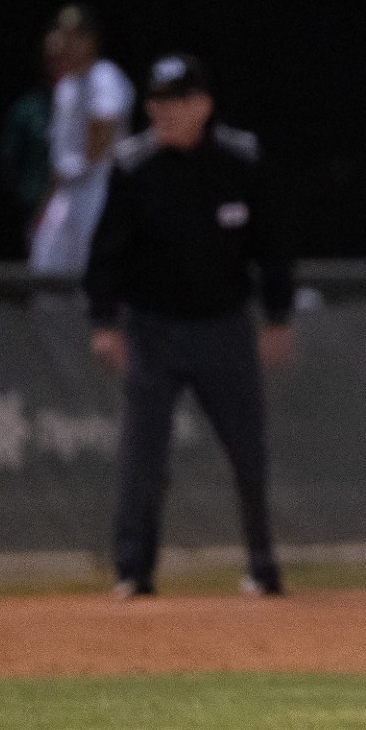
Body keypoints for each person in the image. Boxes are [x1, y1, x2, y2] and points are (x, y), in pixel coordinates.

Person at [83, 54, 293, 598]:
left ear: (203, 105)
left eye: (175, 101)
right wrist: (104, 321)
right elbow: (106, 252)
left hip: (224, 327)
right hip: (153, 330)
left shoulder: (239, 160)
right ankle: (133, 571)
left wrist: (277, 316)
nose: (162, 111)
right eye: (155, 102)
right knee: (143, 457)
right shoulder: (133, 166)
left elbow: (272, 246)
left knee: (249, 451)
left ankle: (263, 566)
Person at [32, 4, 135, 275]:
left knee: (94, 273)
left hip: (98, 190)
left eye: (74, 36)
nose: (65, 43)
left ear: (89, 41)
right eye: (62, 35)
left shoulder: (104, 76)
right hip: (68, 192)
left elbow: (103, 132)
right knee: (46, 269)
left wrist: (77, 169)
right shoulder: (66, 86)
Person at [0, 28, 66, 240]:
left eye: (64, 57)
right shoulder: (29, 109)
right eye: (52, 58)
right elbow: (9, 162)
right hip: (38, 212)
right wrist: (33, 200)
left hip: (85, 209)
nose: (59, 64)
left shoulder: (97, 104)